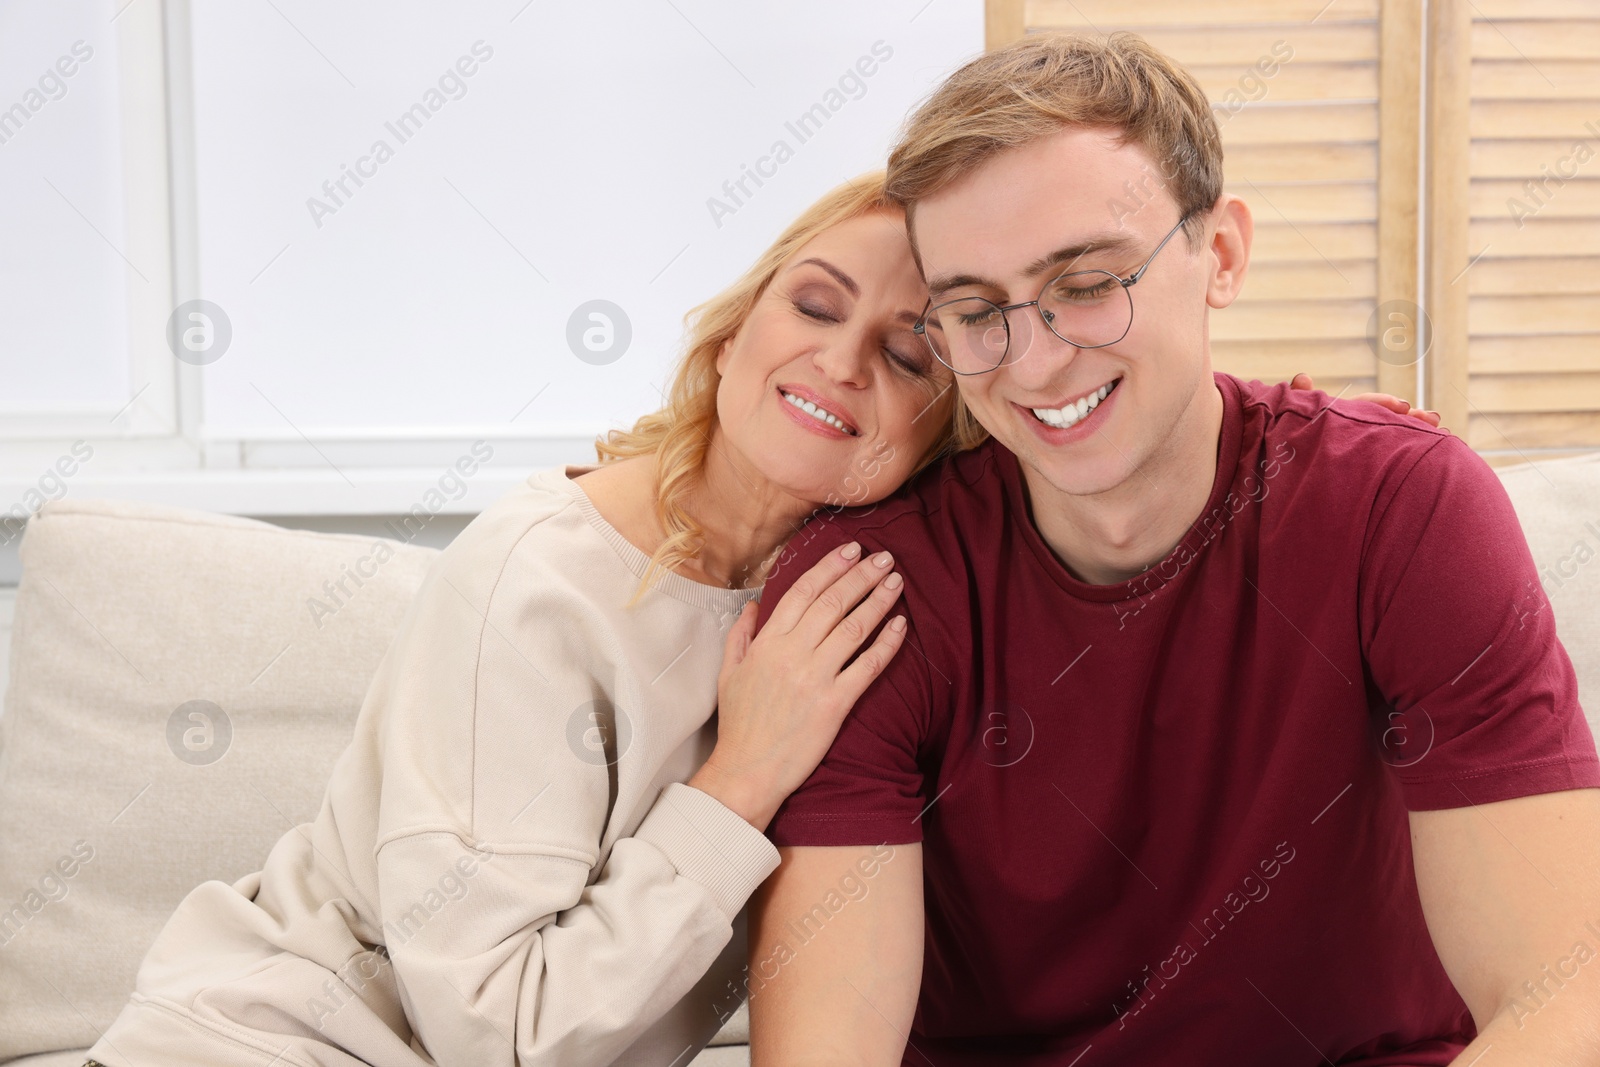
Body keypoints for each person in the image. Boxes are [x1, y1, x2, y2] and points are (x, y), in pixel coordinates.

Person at [80, 170, 1427, 1067]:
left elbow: (1114, 424)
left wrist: (1299, 458)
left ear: (956, 423)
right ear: (735, 332)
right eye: (814, 303)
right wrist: (742, 774)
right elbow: (493, 1026)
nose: (839, 361)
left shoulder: (879, 590)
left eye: (908, 352)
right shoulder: (539, 581)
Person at [746, 32, 1600, 1067]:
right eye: (977, 311)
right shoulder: (870, 590)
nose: (1039, 356)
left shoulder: (1400, 506)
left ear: (1221, 256)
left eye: (1089, 281)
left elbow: (1563, 997)